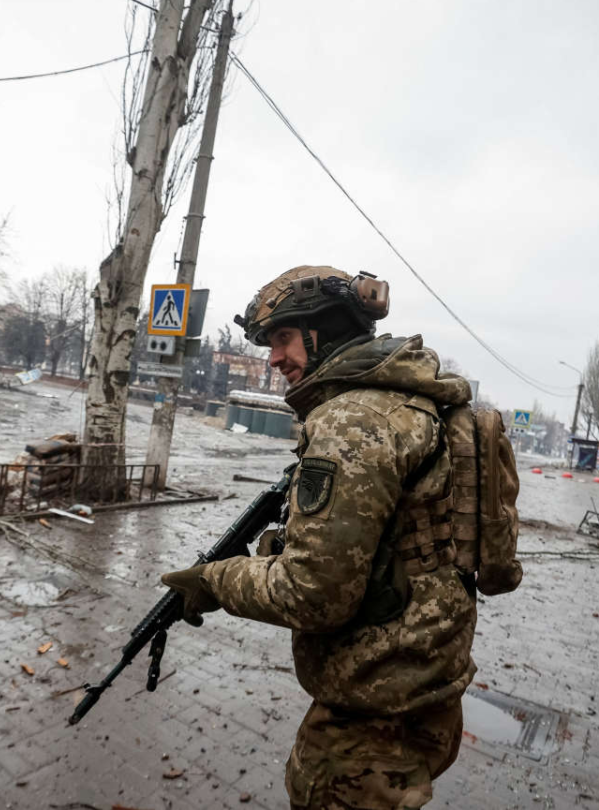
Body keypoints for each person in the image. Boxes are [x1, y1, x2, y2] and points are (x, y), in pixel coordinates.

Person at [162, 266, 477, 809]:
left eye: (282, 338)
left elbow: (314, 595)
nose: (273, 358)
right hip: (423, 679)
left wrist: (214, 580)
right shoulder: (409, 401)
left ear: (324, 330)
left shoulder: (353, 421)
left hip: (372, 712)